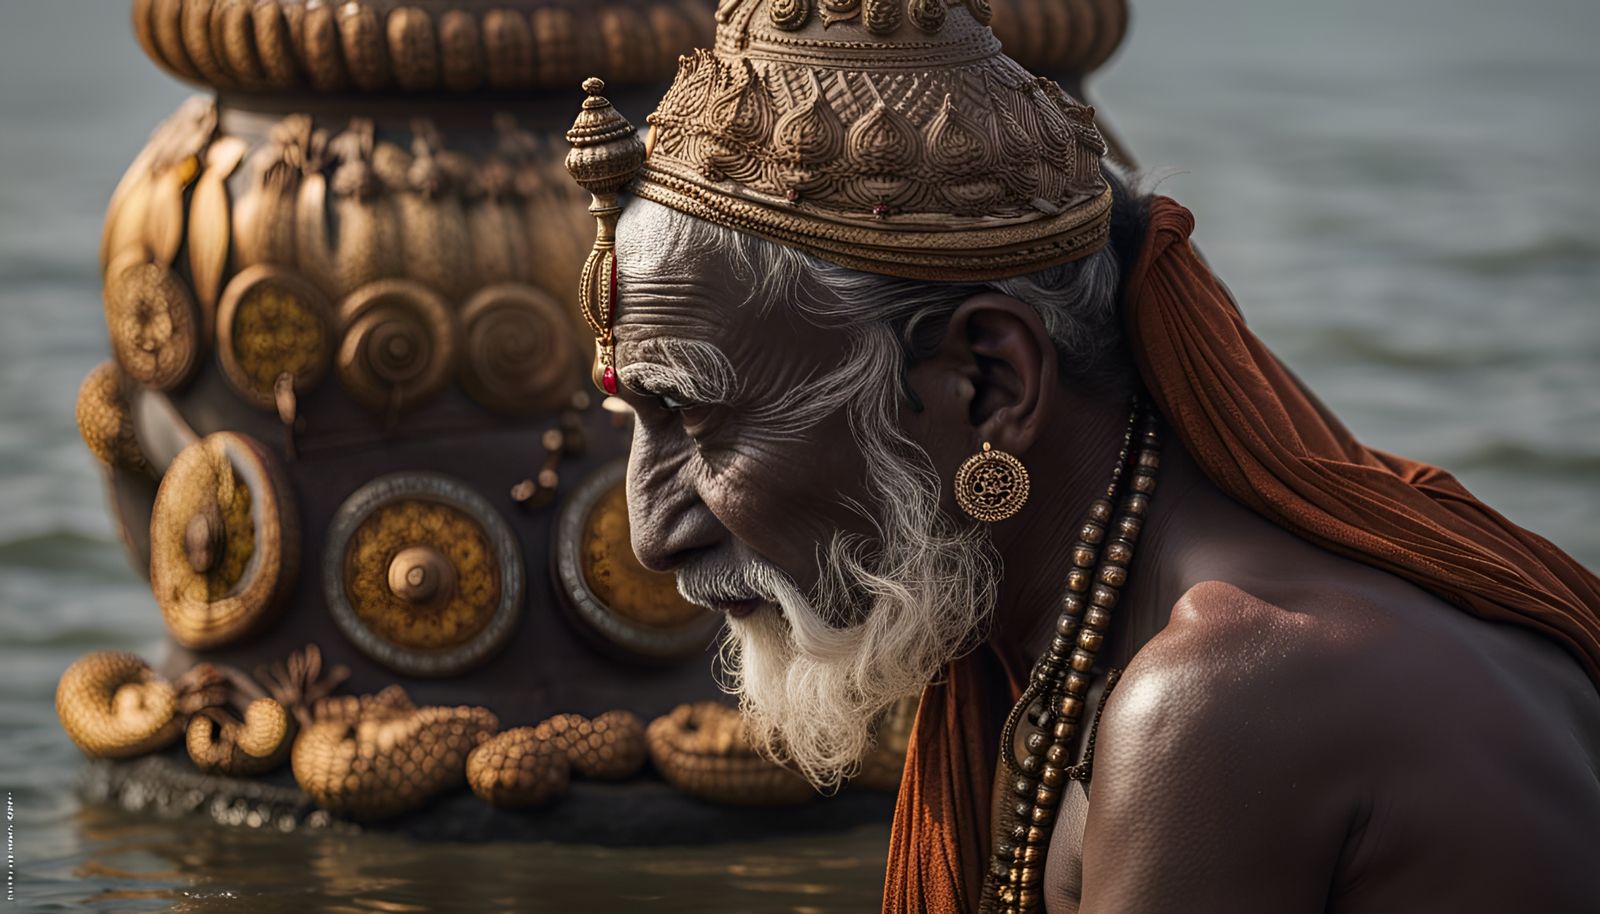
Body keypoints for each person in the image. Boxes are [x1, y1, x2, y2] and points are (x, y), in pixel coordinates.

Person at [561, 0, 1600, 910]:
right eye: (632, 421)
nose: (655, 531)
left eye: (697, 421)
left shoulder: (1214, 697)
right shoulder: (1072, 652)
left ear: (990, 382)